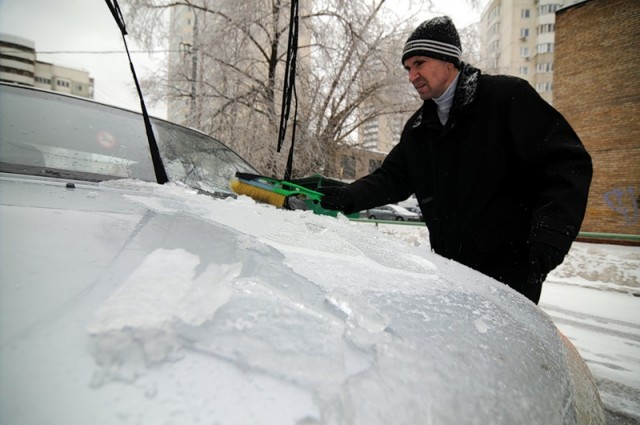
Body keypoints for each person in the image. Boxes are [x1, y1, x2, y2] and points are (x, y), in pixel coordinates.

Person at [318, 16, 592, 304]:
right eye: (408, 68)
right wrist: (346, 196)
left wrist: (547, 239)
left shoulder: (506, 98)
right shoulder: (420, 128)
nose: (412, 76)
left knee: (498, 350)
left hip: (511, 274)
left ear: (448, 60)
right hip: (452, 272)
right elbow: (392, 178)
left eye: (419, 63)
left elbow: (567, 163)